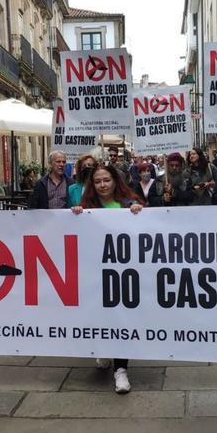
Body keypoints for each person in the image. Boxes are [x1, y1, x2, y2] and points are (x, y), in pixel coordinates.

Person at [71, 164, 144, 393]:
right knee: (99, 314)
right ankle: (103, 348)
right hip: (94, 272)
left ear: (116, 181)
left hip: (122, 272)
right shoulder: (87, 207)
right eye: (97, 181)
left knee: (121, 317)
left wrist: (137, 211)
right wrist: (74, 214)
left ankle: (121, 369)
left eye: (107, 180)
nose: (102, 185)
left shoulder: (128, 203)